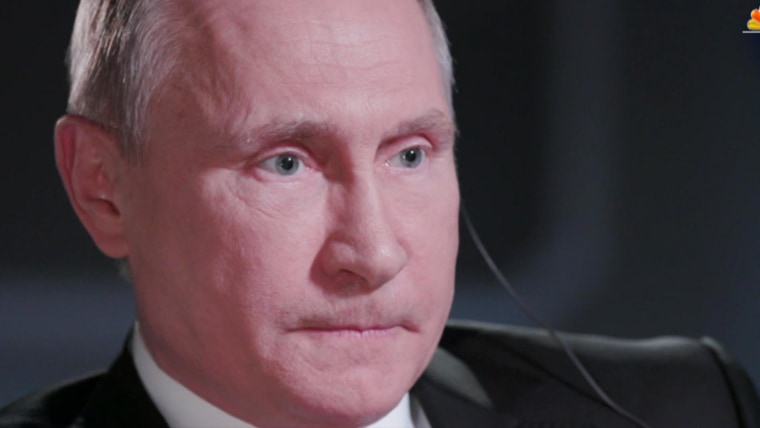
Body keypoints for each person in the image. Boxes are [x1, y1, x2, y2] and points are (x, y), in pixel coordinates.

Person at [1, 0, 758, 427]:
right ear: (102, 187)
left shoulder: (687, 410)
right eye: (285, 162)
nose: (373, 253)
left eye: (410, 154)